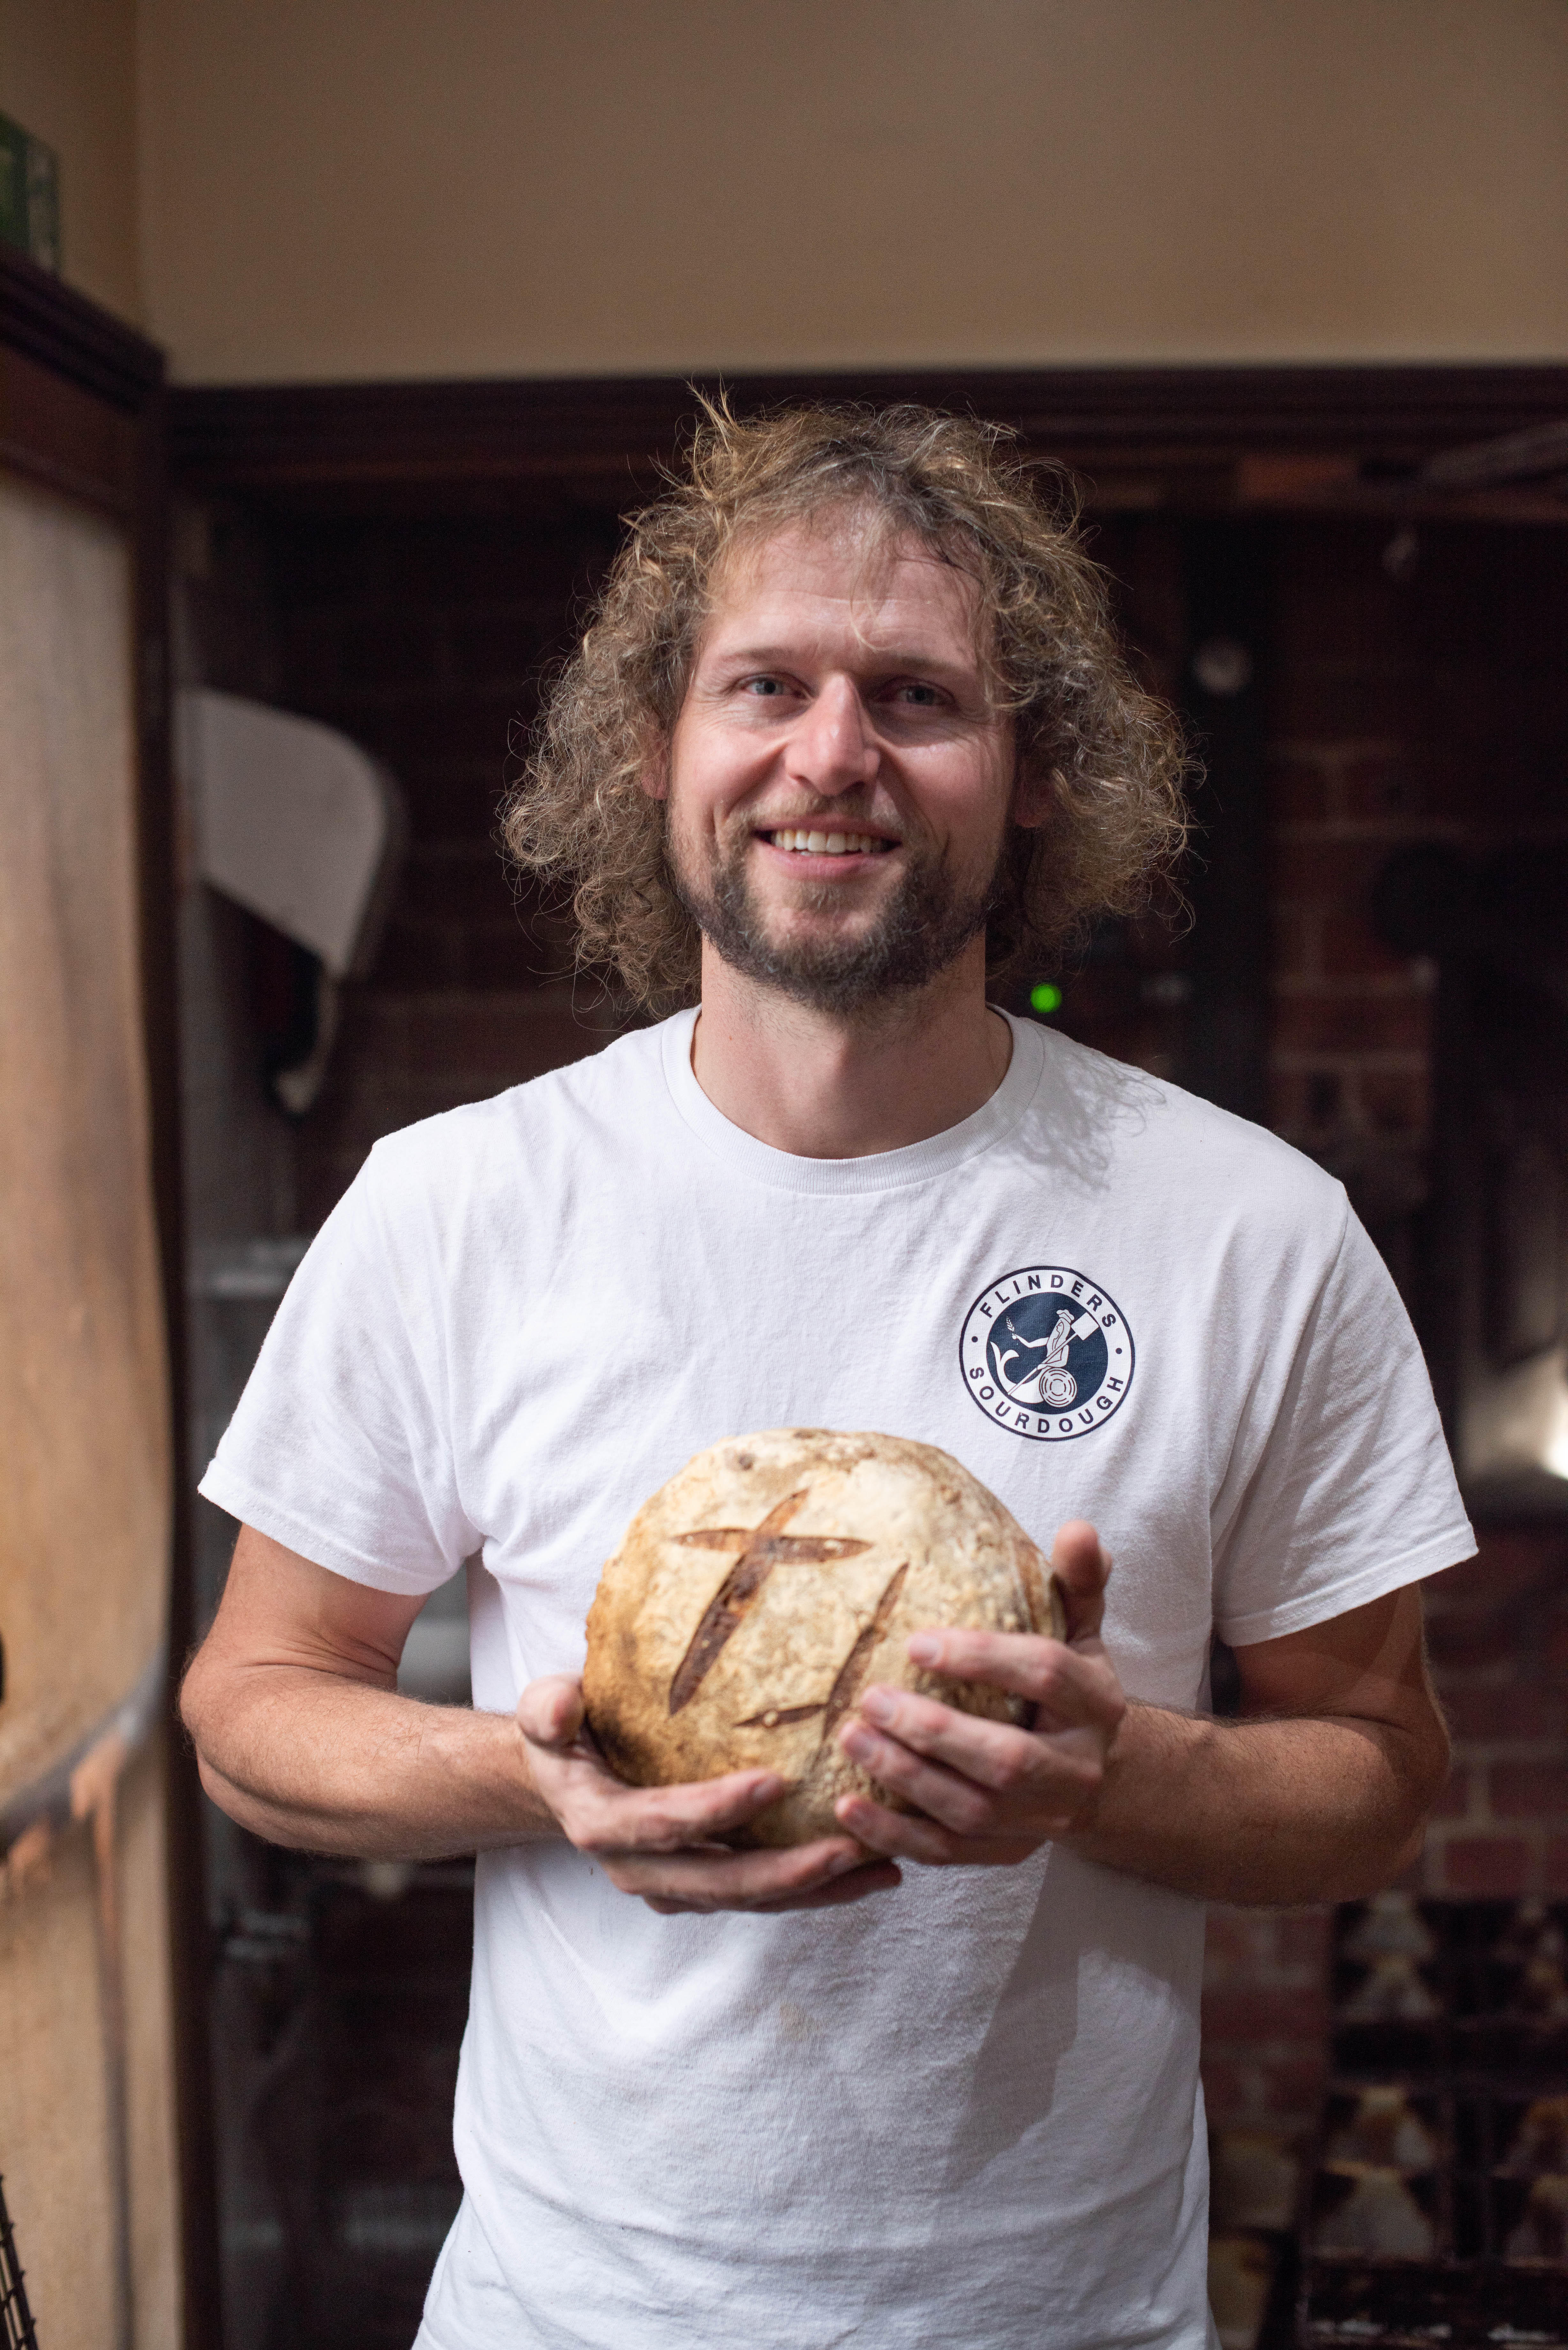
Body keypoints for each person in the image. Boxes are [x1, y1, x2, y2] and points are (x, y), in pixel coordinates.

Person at [182, 401, 1469, 2350]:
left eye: (919, 696)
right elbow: (249, 1708)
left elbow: (1379, 1779)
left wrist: (1117, 1772)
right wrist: (537, 1776)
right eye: (765, 684)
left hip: (1063, 2320)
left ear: (1038, 771)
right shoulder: (461, 1205)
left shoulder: (1249, 1230)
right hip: (568, 2316)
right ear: (657, 745)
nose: (834, 752)